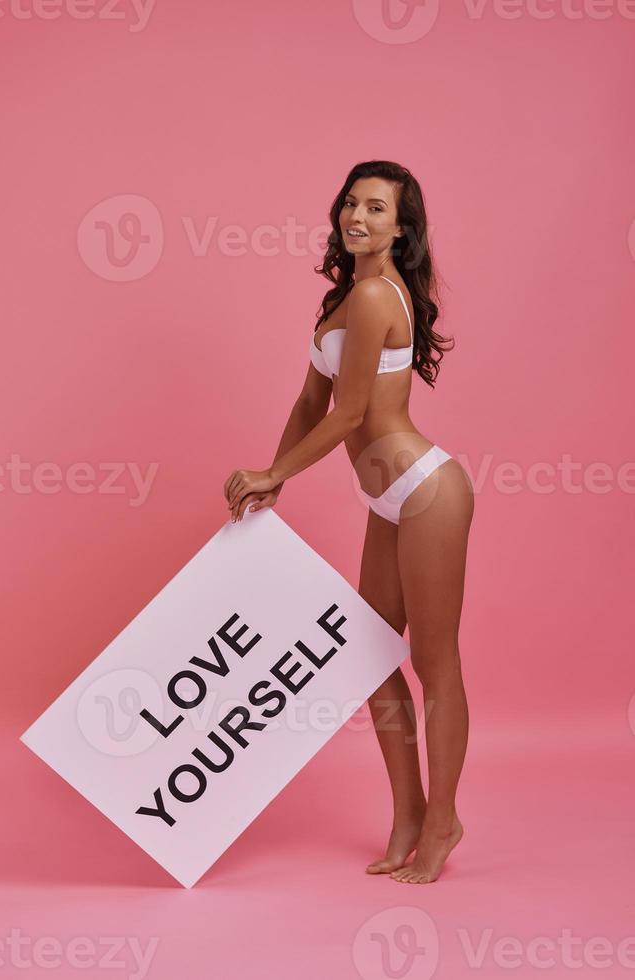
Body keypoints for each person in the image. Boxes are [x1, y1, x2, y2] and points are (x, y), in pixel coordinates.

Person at [223, 159, 475, 884]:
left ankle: (442, 822)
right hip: (386, 499)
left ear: (402, 228)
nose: (356, 216)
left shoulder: (374, 299)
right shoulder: (345, 299)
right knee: (367, 658)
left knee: (435, 664)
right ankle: (408, 812)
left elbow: (356, 413)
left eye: (375, 207)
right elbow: (311, 402)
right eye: (350, 203)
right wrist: (274, 481)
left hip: (426, 491)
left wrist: (276, 473)